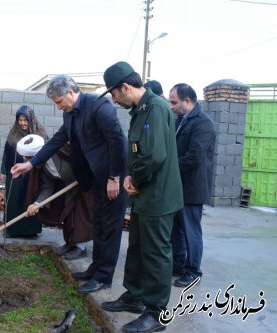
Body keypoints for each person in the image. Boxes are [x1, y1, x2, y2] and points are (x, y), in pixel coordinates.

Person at [11, 75, 128, 294]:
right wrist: (31, 164)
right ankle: (95, 269)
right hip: (93, 180)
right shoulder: (70, 115)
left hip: (111, 179)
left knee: (110, 229)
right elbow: (56, 141)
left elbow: (118, 142)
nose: (58, 107)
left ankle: (104, 277)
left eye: (59, 102)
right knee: (99, 226)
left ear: (71, 93)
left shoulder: (98, 107)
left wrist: (115, 178)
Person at [98, 61, 183, 333]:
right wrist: (129, 177)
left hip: (157, 196)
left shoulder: (155, 107)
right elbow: (138, 151)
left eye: (114, 94)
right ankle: (134, 296)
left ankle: (156, 313)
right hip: (143, 195)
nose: (114, 100)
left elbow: (154, 155)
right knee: (136, 248)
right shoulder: (141, 109)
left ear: (125, 87)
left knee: (156, 254)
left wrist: (135, 179)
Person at [168, 83, 216, 287]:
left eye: (174, 102)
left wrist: (168, 168)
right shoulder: (181, 120)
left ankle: (193, 271)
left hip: (193, 187)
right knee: (176, 230)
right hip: (180, 186)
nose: (171, 106)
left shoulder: (202, 123)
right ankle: (178, 265)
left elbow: (195, 157)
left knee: (190, 231)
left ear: (188, 101)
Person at [17, 135, 93, 260]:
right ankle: (70, 243)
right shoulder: (42, 167)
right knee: (67, 214)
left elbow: (87, 158)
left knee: (81, 215)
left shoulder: (63, 151)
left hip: (85, 183)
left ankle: (81, 247)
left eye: (29, 159)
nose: (27, 162)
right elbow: (47, 187)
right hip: (70, 185)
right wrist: (37, 204)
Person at [0, 105, 47, 238]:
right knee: (13, 200)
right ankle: (11, 230)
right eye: (20, 120)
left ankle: (30, 231)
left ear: (30, 119)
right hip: (14, 173)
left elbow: (47, 152)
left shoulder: (40, 134)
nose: (22, 123)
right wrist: (3, 171)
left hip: (33, 174)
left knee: (29, 199)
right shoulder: (13, 134)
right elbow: (6, 154)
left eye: (25, 120)